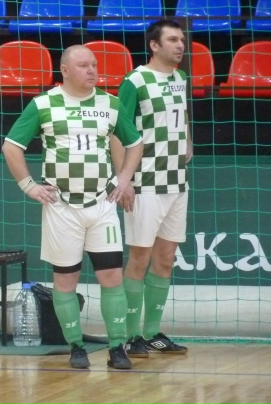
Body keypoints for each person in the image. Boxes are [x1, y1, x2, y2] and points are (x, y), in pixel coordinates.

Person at [2, 45, 143, 369]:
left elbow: (135, 143)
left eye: (94, 64)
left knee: (112, 276)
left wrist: (124, 179)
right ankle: (76, 347)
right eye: (83, 65)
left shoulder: (110, 103)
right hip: (61, 207)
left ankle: (117, 348)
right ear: (64, 70)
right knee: (66, 280)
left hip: (102, 204)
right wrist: (29, 186)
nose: (92, 70)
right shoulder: (44, 104)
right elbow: (11, 146)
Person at [114, 19, 193, 358]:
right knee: (140, 257)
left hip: (177, 182)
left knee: (166, 259)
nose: (180, 45)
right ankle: (130, 335)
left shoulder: (180, 77)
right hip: (145, 182)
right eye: (172, 39)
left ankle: (152, 332)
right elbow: (118, 132)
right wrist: (124, 179)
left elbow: (181, 116)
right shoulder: (135, 81)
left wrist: (188, 140)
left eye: (182, 40)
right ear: (154, 45)